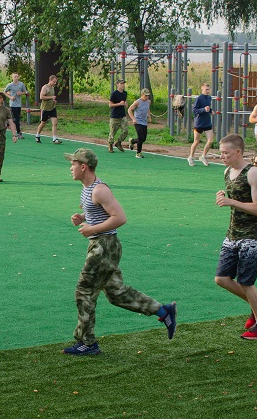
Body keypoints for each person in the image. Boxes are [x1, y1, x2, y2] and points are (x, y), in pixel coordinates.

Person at [62, 148, 176, 355]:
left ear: (83, 166)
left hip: (104, 245)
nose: (71, 168)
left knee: (84, 291)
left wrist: (91, 230)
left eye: (73, 164)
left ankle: (87, 343)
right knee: (116, 293)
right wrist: (83, 218)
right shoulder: (87, 188)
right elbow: (101, 213)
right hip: (102, 244)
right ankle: (163, 311)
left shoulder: (99, 189)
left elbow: (119, 218)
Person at [213, 134, 257, 340]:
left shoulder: (253, 173)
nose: (221, 156)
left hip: (251, 237)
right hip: (232, 234)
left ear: (237, 151)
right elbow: (233, 198)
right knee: (221, 278)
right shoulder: (227, 172)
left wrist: (231, 202)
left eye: (225, 153)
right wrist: (223, 197)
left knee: (247, 282)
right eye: (220, 152)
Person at [188, 82, 214, 166]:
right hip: (199, 123)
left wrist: (211, 111)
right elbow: (194, 110)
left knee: (210, 141)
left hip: (207, 122)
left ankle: (203, 156)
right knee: (196, 141)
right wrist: (203, 109)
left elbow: (208, 107)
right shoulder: (199, 98)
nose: (208, 91)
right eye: (206, 89)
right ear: (202, 89)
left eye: (209, 89)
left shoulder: (209, 98)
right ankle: (191, 157)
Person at [34, 74, 62, 144]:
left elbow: (51, 98)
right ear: (50, 80)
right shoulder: (45, 87)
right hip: (45, 108)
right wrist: (51, 97)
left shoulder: (53, 87)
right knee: (43, 123)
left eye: (56, 82)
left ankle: (55, 138)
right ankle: (37, 135)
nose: (55, 83)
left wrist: (53, 101)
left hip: (52, 108)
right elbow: (41, 97)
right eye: (54, 82)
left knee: (55, 123)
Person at [126, 88, 151, 159]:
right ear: (142, 95)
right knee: (140, 138)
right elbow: (129, 109)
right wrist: (133, 118)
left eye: (148, 96)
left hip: (144, 122)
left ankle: (132, 141)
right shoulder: (137, 102)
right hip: (137, 121)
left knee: (144, 139)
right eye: (145, 95)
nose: (147, 97)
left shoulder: (148, 102)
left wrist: (149, 116)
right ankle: (138, 152)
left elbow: (148, 109)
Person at [108, 78, 128, 152]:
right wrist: (119, 104)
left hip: (122, 115)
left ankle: (119, 142)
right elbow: (110, 105)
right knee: (112, 132)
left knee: (125, 131)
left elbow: (125, 102)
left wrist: (126, 104)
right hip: (115, 116)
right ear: (117, 84)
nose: (123, 85)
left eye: (123, 84)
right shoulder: (114, 94)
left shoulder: (125, 93)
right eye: (121, 84)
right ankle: (110, 145)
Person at [5, 73, 28, 138]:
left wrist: (21, 93)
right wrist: (10, 97)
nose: (16, 78)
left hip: (19, 104)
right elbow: (4, 92)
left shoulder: (21, 84)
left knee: (15, 118)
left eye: (17, 77)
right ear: (12, 78)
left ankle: (7, 124)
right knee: (16, 119)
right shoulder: (10, 85)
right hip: (13, 104)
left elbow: (25, 92)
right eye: (15, 77)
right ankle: (19, 133)